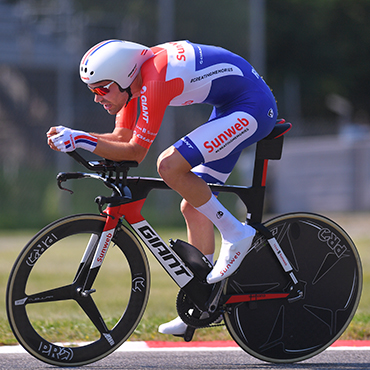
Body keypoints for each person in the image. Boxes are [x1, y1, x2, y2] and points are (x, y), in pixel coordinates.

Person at [47, 39, 278, 336]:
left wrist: (82, 140)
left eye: (102, 88)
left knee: (168, 165)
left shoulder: (156, 78)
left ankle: (236, 232)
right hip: (229, 108)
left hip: (253, 108)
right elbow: (121, 137)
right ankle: (201, 301)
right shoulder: (135, 81)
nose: (97, 97)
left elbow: (135, 152)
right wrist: (77, 136)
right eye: (92, 90)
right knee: (193, 207)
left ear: (124, 76)